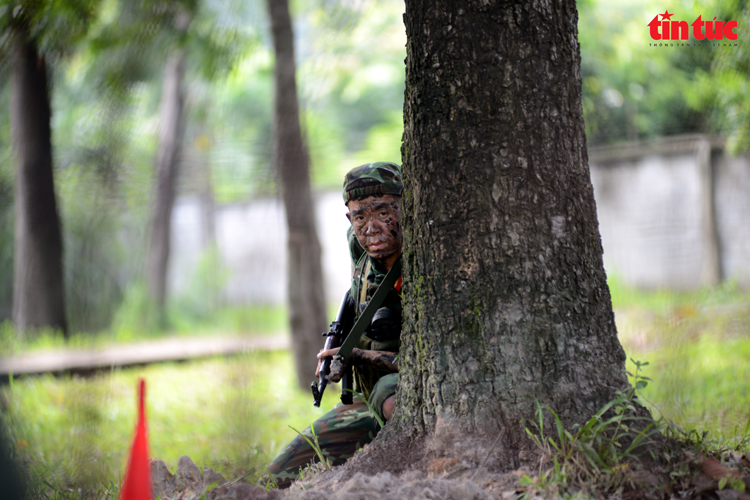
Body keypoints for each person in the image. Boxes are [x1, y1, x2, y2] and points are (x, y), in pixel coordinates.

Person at [267, 162, 404, 488]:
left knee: (392, 402)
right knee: (280, 473)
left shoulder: (425, 263)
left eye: (383, 213)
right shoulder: (358, 246)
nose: (370, 227)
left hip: (396, 389)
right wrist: (337, 338)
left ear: (406, 207)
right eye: (359, 217)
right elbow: (354, 290)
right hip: (363, 400)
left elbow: (423, 367)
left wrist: (353, 355)